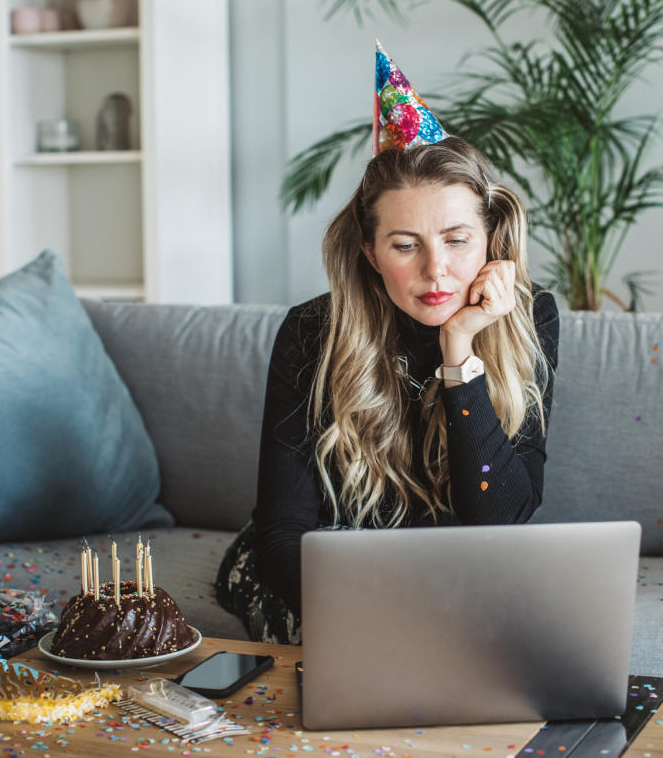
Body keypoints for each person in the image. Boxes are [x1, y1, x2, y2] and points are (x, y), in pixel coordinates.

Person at [215, 47, 559, 644]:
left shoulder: (531, 318)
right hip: (333, 572)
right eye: (406, 245)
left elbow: (502, 518)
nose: (437, 271)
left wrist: (460, 352)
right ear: (370, 254)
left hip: (458, 576)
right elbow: (281, 539)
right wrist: (387, 610)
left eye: (457, 240)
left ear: (491, 240)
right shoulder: (311, 331)